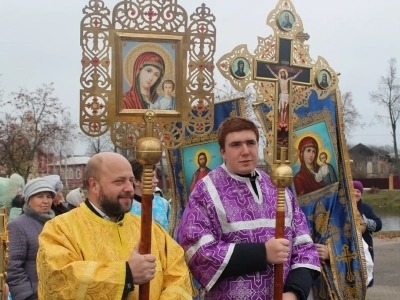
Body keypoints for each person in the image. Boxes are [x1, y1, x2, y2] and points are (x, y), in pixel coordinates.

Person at [178, 117, 320, 299]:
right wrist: (262, 253)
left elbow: (304, 247)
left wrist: (294, 293)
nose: (245, 151)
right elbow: (198, 252)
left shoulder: (278, 186)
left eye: (250, 143)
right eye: (236, 145)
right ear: (222, 151)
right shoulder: (205, 191)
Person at [36, 152, 194, 299]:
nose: (129, 188)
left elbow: (178, 276)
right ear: (94, 185)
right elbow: (59, 280)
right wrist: (126, 275)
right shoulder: (60, 230)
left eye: (131, 181)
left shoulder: (150, 228)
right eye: (119, 181)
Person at [6, 178, 56, 300]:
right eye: (39, 196)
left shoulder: (56, 223)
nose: (46, 201)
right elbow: (12, 267)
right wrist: (28, 295)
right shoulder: (18, 225)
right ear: (28, 201)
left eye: (49, 196)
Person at [353, 180, 382, 287]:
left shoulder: (366, 208)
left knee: (364, 280)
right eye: (353, 190)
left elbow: (378, 225)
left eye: (358, 191)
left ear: (361, 193)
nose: (356, 193)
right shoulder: (342, 207)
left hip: (365, 249)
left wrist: (364, 221)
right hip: (348, 248)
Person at [130, 160, 171, 232]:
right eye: (150, 177)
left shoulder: (164, 203)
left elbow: (173, 232)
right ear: (136, 181)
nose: (156, 180)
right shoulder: (127, 208)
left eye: (155, 176)